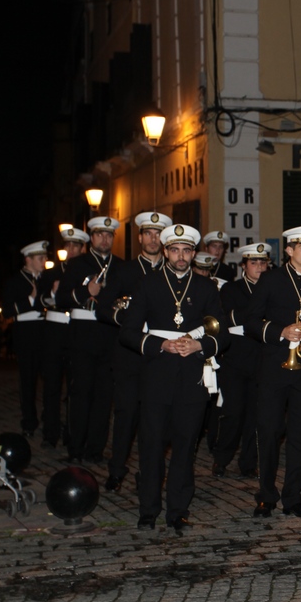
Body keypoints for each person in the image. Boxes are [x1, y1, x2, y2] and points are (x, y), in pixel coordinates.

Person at [119, 224, 227, 534]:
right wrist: (160, 344)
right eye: (175, 250)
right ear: (166, 252)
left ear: (194, 254)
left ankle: (178, 511)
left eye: (187, 251)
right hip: (156, 378)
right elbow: (128, 332)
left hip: (191, 380)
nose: (181, 256)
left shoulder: (206, 289)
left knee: (184, 448)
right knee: (151, 448)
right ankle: (148, 510)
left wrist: (198, 345)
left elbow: (221, 334)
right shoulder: (148, 284)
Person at [246, 225, 301, 518]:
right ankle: (266, 495)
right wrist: (279, 331)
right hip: (274, 367)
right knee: (270, 431)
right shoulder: (270, 280)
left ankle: (294, 495)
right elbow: (250, 321)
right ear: (289, 250)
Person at [103, 211, 170, 493]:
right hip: (130, 354)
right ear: (140, 237)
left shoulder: (173, 272)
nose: (153, 239)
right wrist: (128, 323)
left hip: (161, 356)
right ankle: (117, 469)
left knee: (155, 418)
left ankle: (150, 472)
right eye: (148, 234)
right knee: (126, 414)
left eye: (158, 234)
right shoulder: (124, 271)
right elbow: (105, 308)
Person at [55, 216, 125, 464]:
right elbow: (61, 299)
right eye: (99, 235)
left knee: (104, 396)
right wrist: (86, 292)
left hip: (109, 336)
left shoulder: (120, 266)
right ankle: (76, 448)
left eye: (109, 236)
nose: (104, 239)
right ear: (92, 238)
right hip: (82, 336)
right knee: (80, 393)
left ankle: (95, 449)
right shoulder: (77, 264)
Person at [211, 242, 271, 478]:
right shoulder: (231, 290)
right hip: (236, 358)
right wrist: (257, 316)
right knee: (233, 412)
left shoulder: (273, 289)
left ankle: (248, 462)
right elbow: (228, 318)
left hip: (262, 358)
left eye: (263, 262)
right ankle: (221, 458)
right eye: (254, 262)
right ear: (244, 265)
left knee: (255, 416)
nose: (259, 267)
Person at [39, 227, 88, 449]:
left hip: (76, 330)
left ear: (82, 248)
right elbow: (39, 301)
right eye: (67, 246)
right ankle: (50, 433)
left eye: (75, 246)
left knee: (75, 387)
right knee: (52, 386)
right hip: (55, 331)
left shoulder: (87, 275)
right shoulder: (51, 273)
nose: (71, 250)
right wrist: (53, 294)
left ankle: (72, 433)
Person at [3, 240, 49, 437]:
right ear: (28, 259)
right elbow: (6, 310)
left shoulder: (46, 279)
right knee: (28, 381)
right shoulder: (15, 281)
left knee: (50, 380)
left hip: (46, 331)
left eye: (45, 257)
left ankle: (50, 420)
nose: (44, 261)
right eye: (41, 258)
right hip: (26, 333)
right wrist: (30, 300)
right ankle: (29, 422)